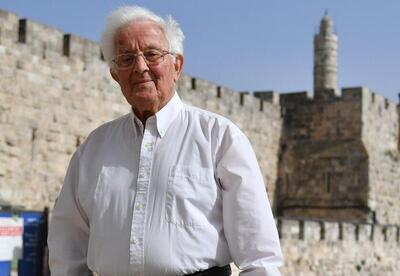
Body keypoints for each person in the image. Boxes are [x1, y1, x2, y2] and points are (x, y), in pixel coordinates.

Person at [47, 5, 283, 276]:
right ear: (115, 74)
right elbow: (67, 244)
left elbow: (260, 258)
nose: (140, 67)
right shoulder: (93, 150)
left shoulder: (220, 138)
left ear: (177, 65)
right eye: (126, 59)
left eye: (152, 54)